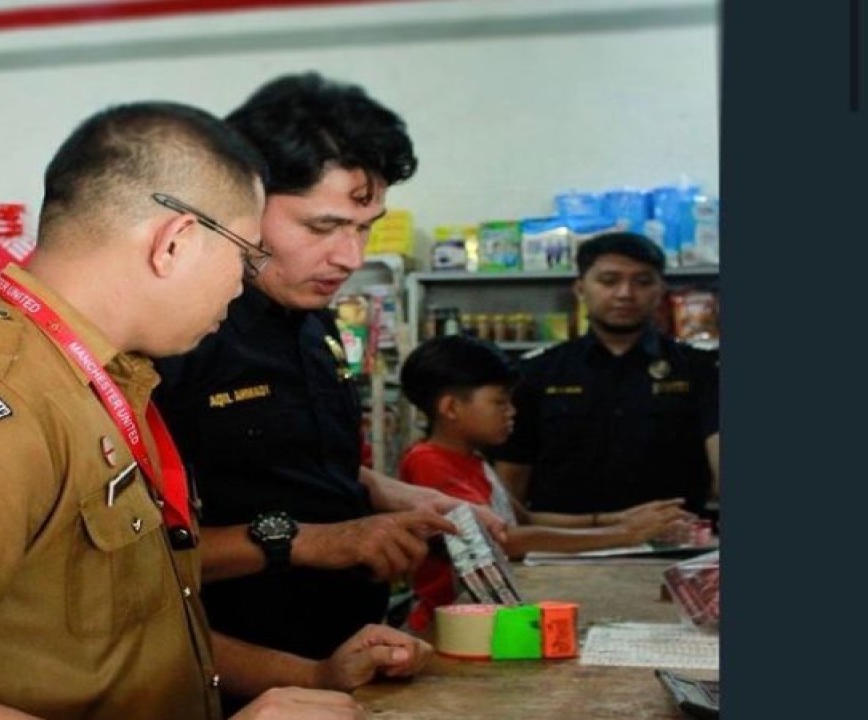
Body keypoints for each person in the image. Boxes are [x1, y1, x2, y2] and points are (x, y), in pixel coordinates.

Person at [0, 101, 431, 720]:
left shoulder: (96, 378)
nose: (243, 285)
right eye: (243, 257)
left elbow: (127, 638)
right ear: (175, 242)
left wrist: (312, 675)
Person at [151, 72, 501, 708]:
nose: (349, 256)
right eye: (322, 227)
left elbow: (308, 464)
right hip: (237, 681)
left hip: (348, 659)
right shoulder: (176, 338)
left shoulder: (315, 320)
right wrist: (323, 541)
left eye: (366, 228)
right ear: (241, 202)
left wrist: (415, 500)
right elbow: (135, 563)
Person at [397, 334, 694, 632]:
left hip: (485, 619)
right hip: (449, 627)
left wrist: (619, 518)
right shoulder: (429, 462)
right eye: (499, 402)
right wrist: (622, 534)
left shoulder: (473, 458)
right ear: (450, 408)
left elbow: (525, 519)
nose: (512, 411)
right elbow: (504, 541)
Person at [488, 231, 721, 516]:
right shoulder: (538, 371)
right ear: (580, 289)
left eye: (643, 281)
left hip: (673, 546)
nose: (625, 293)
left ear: (661, 290)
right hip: (563, 550)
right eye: (609, 281)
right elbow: (512, 475)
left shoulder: (701, 369)